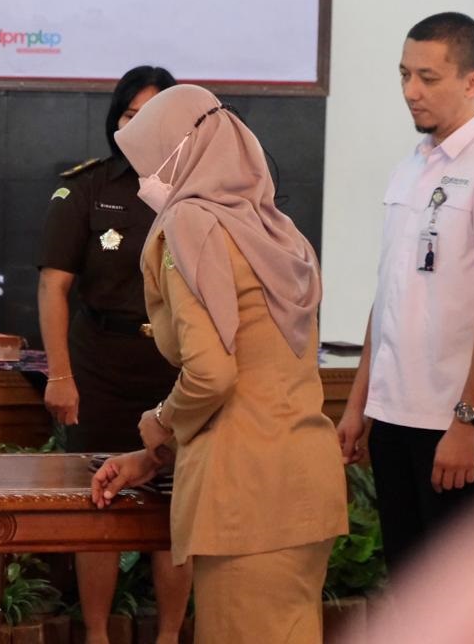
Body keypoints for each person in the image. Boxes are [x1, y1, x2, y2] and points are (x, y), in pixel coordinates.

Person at [91, 84, 348, 643]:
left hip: (244, 499)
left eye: (149, 161)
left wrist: (161, 421)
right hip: (304, 483)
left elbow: (213, 373)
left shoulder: (191, 224)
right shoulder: (277, 230)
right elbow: (259, 375)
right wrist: (157, 455)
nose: (143, 180)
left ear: (179, 154)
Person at [336, 12, 474, 575]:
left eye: (428, 78)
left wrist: (468, 421)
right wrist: (359, 405)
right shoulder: (412, 166)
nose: (411, 91)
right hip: (394, 418)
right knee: (410, 588)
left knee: (459, 596)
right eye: (404, 74)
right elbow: (390, 294)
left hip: (458, 425)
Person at [37, 65, 191, 644]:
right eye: (130, 115)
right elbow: (53, 285)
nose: (140, 126)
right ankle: (98, 635)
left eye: (154, 116)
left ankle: (170, 636)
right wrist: (60, 375)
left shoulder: (200, 188)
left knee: (176, 508)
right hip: (101, 364)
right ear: (115, 120)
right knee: (99, 503)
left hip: (177, 369)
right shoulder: (88, 187)